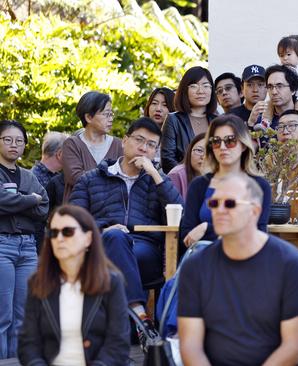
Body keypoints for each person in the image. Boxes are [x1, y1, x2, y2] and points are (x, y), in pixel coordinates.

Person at [69, 117, 182, 348]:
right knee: (115, 238)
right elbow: (74, 220)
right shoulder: (91, 179)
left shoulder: (157, 180)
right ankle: (141, 318)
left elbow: (180, 214)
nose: (144, 148)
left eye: (151, 145)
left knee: (119, 245)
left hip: (144, 250)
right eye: (139, 140)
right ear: (124, 140)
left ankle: (120, 329)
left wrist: (157, 176)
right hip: (99, 246)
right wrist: (103, 228)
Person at [178, 174, 298, 365]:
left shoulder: (290, 263)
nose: (220, 210)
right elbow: (190, 344)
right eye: (214, 203)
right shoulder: (195, 266)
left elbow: (295, 345)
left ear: (255, 211)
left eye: (231, 204)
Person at [18, 205, 130, 365]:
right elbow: (28, 343)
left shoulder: (111, 282)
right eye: (53, 233)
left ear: (88, 238)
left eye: (68, 232)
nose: (59, 238)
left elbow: (118, 343)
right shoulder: (38, 282)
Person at [181, 115, 271, 250]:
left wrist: (207, 228)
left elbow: (257, 233)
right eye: (216, 141)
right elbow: (187, 235)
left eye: (230, 141)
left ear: (243, 145)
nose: (222, 147)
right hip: (203, 257)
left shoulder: (260, 186)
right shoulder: (199, 185)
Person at [0, 120, 48, 359]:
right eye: (7, 139)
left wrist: (17, 201)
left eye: (19, 141)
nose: (13, 145)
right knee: (2, 315)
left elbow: (44, 207)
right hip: (2, 246)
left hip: (28, 248)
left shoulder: (29, 176)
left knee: (23, 314)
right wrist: (30, 200)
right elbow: (2, 202)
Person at [62, 91, 123, 201]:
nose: (111, 119)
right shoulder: (72, 144)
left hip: (110, 213)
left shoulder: (119, 144)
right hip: (78, 213)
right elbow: (75, 178)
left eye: (111, 114)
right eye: (106, 114)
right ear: (89, 117)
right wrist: (109, 178)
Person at [161, 66, 218, 173]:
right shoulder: (173, 120)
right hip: (184, 182)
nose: (200, 91)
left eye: (205, 86)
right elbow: (167, 160)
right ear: (184, 90)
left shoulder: (219, 121)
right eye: (194, 86)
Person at [168, 133, 205, 200]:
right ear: (189, 151)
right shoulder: (176, 175)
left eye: (210, 153)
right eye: (199, 150)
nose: (204, 157)